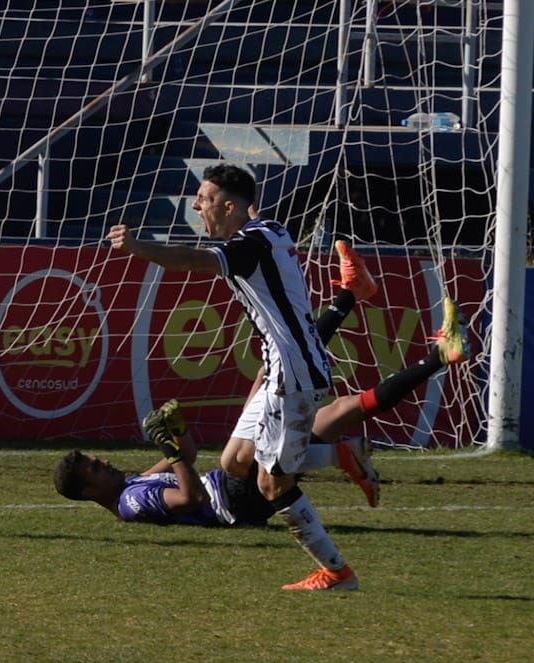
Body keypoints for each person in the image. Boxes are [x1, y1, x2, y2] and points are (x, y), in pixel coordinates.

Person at [103, 163, 466, 591]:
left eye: (204, 198)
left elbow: (192, 260)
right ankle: (342, 452)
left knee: (272, 485)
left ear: (230, 205)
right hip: (287, 364)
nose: (198, 206)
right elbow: (244, 238)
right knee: (233, 461)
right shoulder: (269, 230)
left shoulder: (246, 245)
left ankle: (336, 571)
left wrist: (139, 247)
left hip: (291, 375)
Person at [52, 293, 472, 565]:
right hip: (237, 497)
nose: (103, 461)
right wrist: (176, 456)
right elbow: (192, 494)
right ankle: (336, 452)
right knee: (260, 404)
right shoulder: (131, 505)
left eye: (95, 459)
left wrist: (176, 433)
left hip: (241, 489)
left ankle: (439, 356)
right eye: (94, 468)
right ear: (90, 493)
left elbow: (187, 456)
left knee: (337, 408)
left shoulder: (131, 484)